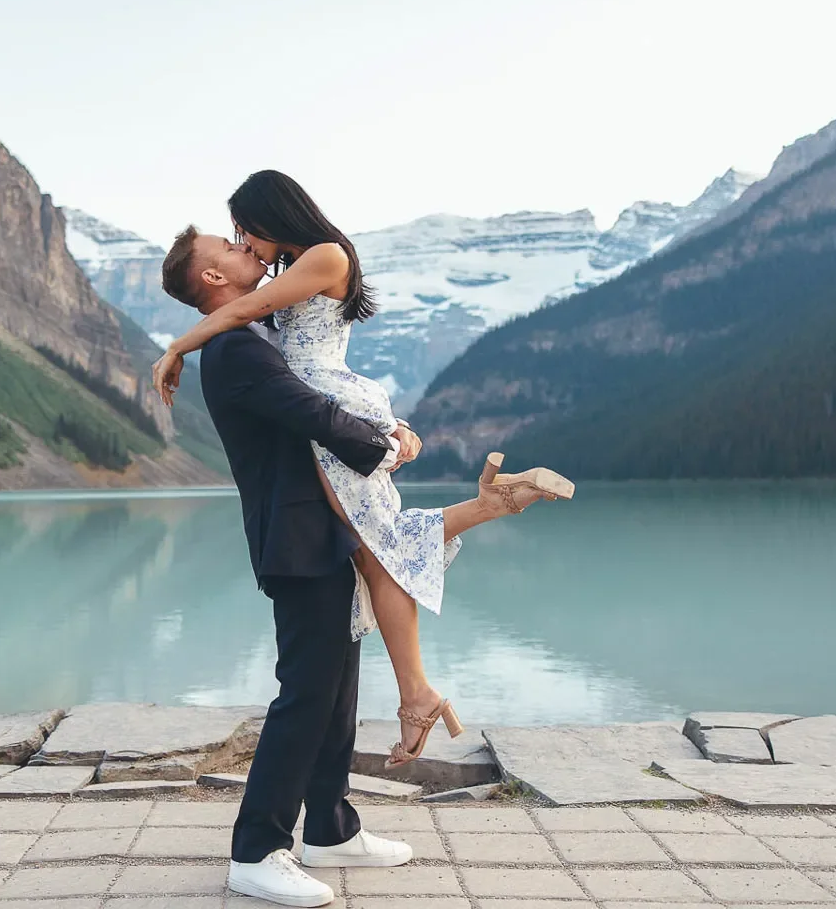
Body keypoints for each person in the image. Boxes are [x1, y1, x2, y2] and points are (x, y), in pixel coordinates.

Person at [154, 170, 574, 771]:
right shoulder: (301, 266)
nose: (243, 242)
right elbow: (252, 316)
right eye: (233, 240)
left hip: (334, 409)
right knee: (378, 548)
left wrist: (174, 348)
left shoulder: (324, 256)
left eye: (244, 229)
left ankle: (418, 690)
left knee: (380, 548)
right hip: (335, 406)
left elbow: (246, 307)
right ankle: (490, 514)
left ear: (273, 214)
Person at [161, 230, 415, 906]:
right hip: (297, 538)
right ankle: (255, 849)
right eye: (232, 245)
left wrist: (392, 430)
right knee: (305, 693)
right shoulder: (237, 348)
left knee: (337, 691)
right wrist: (384, 445)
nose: (251, 248)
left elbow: (323, 386)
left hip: (323, 531)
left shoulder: (255, 333)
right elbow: (312, 412)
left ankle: (330, 828)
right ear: (214, 277)